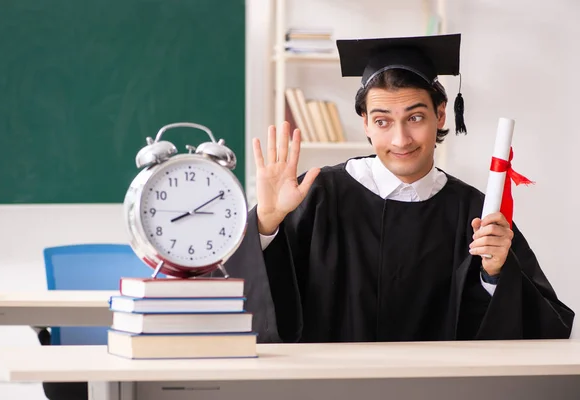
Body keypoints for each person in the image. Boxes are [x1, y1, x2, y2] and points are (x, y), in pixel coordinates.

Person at [225, 33, 574, 343]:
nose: (400, 139)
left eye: (415, 117)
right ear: (365, 124)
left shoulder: (476, 212)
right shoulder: (317, 196)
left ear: (440, 115)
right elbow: (248, 309)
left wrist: (496, 274)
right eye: (382, 121)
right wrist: (266, 225)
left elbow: (550, 324)